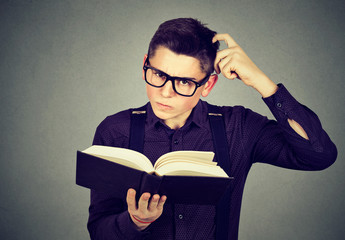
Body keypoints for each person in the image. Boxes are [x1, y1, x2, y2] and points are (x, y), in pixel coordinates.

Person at [87, 18, 337, 240]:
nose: (165, 91)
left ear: (208, 85)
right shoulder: (114, 130)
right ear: (145, 64)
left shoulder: (238, 126)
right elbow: (99, 231)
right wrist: (135, 223)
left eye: (184, 81)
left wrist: (262, 82)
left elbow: (318, 154)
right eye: (157, 73)